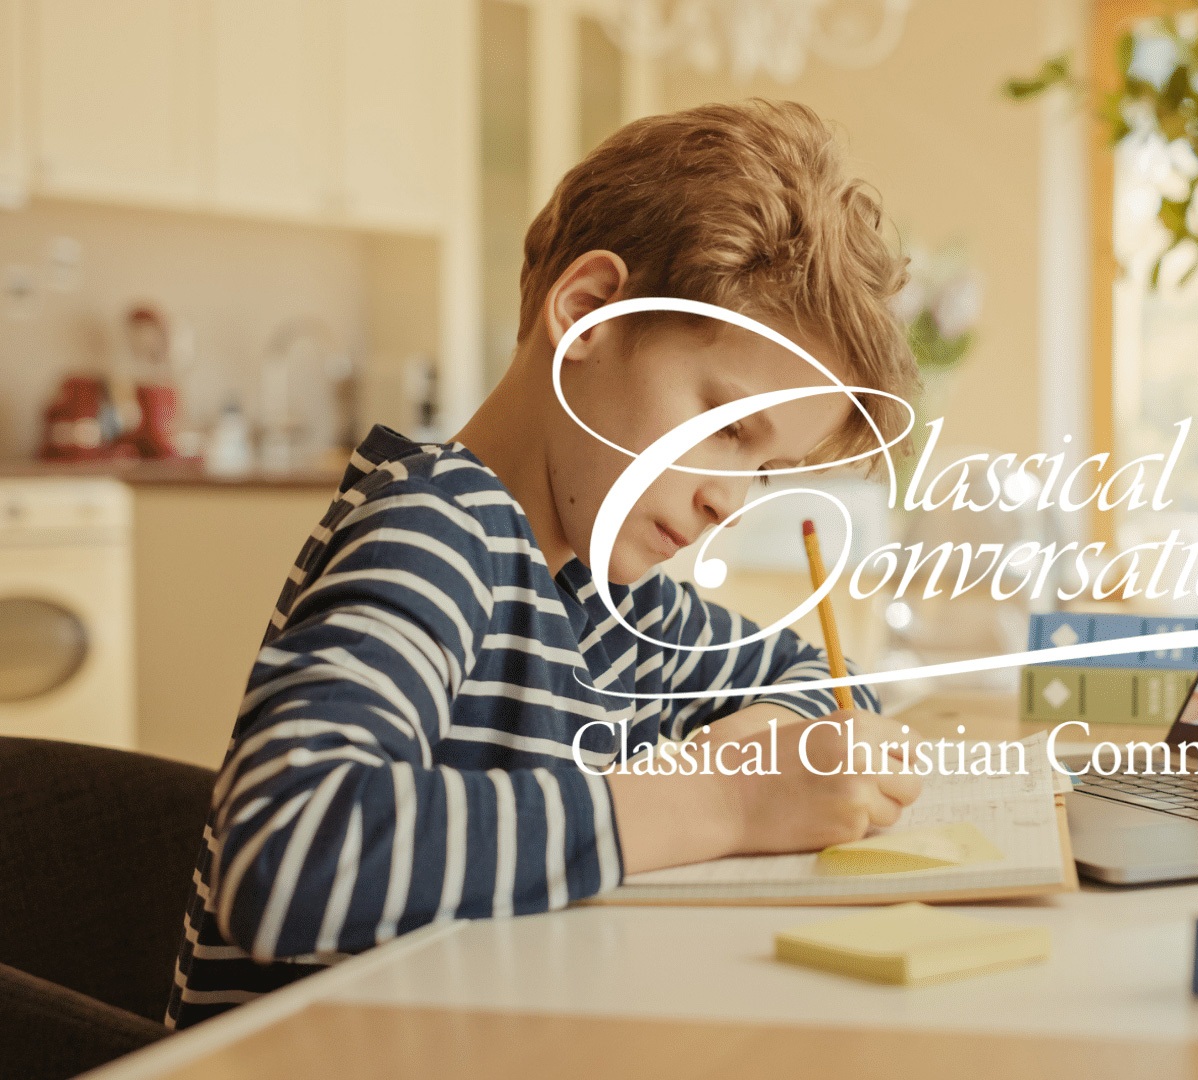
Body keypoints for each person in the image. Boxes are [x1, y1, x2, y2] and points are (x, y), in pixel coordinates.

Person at [166, 101, 924, 1029]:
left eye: (764, 467)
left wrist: (796, 760)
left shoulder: (621, 604)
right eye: (727, 427)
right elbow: (284, 853)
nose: (734, 498)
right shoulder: (439, 528)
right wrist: (718, 799)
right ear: (587, 315)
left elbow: (824, 682)